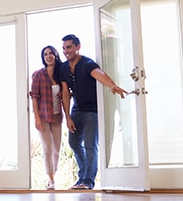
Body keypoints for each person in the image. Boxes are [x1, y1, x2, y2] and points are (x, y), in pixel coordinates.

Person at [58, 34, 128, 190]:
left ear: (78, 46)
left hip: (92, 111)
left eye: (69, 47)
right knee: (74, 143)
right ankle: (82, 177)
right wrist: (68, 117)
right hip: (76, 110)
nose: (65, 51)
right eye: (63, 48)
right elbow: (64, 93)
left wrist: (112, 85)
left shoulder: (87, 63)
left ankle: (88, 181)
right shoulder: (63, 68)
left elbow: (99, 74)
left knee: (90, 145)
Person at [30, 45, 63, 190]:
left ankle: (53, 176)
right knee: (47, 148)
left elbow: (67, 94)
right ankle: (51, 180)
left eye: (51, 54)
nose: (48, 56)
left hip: (56, 115)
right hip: (43, 115)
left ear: (55, 55)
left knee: (56, 149)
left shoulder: (60, 74)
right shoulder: (38, 74)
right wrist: (37, 117)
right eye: (45, 54)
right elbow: (34, 97)